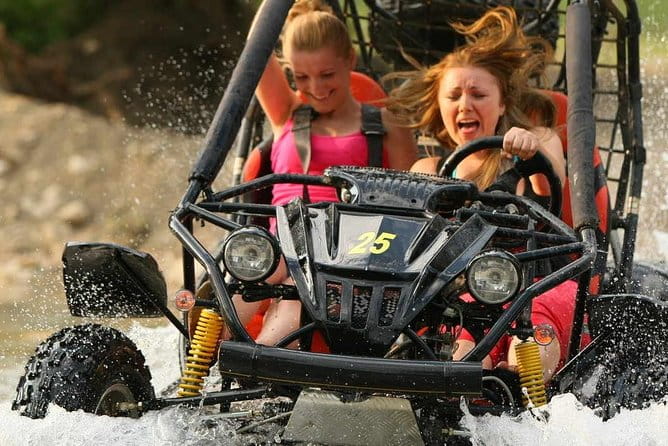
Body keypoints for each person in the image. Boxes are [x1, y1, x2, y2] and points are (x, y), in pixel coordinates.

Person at [387, 6, 572, 382]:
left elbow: (550, 181)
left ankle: (525, 393)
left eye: (478, 94)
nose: (464, 105)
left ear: (502, 104)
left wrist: (528, 149)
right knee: (460, 353)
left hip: (538, 286)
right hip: (467, 295)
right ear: (440, 106)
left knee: (528, 351)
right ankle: (463, 396)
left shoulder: (536, 142)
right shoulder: (428, 171)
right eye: (453, 96)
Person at [227, 0, 417, 347]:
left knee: (292, 297)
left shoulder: (388, 125)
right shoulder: (287, 111)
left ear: (350, 61)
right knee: (241, 283)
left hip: (348, 253)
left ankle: (261, 358)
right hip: (279, 246)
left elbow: (410, 207)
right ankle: (204, 361)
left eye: (327, 75)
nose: (315, 88)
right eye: (302, 77)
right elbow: (256, 46)